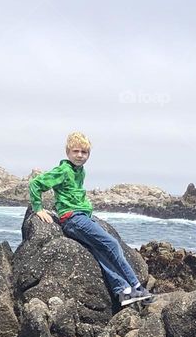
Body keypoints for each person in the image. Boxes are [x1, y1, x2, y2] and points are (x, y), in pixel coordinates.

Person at [29, 132, 154, 308]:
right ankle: (138, 288)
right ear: (68, 152)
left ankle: (123, 291)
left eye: (84, 152)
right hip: (73, 219)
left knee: (99, 251)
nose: (80, 155)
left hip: (81, 217)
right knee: (112, 244)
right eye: (76, 151)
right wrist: (38, 208)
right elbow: (36, 184)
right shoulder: (63, 170)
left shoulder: (80, 171)